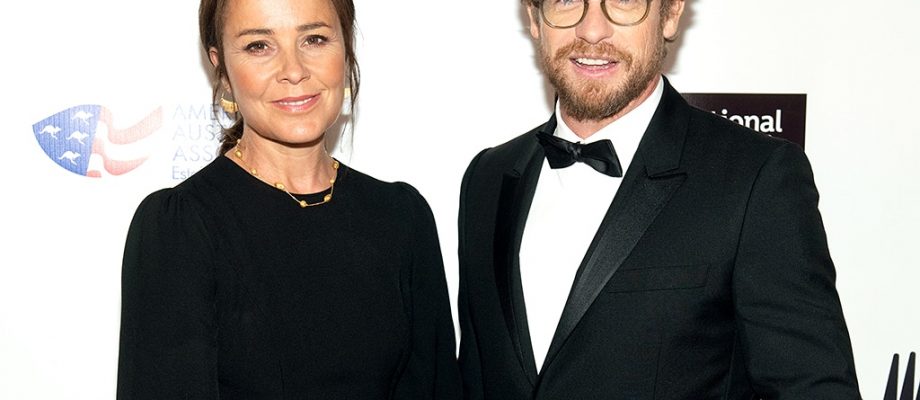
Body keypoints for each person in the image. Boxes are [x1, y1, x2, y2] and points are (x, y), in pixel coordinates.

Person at [457, 0, 861, 398]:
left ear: (670, 15)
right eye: (566, 0)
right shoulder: (488, 177)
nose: (592, 30)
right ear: (534, 17)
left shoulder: (755, 178)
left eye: (625, 1)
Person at [116, 0, 461, 398]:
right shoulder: (180, 228)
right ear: (222, 70)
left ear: (346, 49)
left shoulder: (401, 217)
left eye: (314, 39)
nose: (294, 71)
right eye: (259, 46)